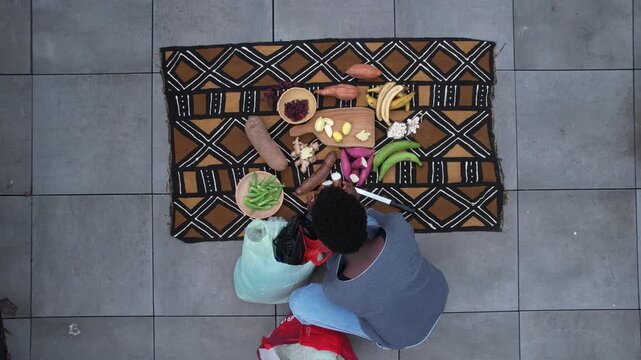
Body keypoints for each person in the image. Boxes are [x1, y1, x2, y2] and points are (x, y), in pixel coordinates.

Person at [288, 181, 449, 350]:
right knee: (373, 224)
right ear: (361, 212)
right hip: (438, 291)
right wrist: (354, 203)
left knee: (299, 301)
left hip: (402, 338)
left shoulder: (336, 290)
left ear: (326, 246)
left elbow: (335, 267)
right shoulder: (399, 227)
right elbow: (371, 220)